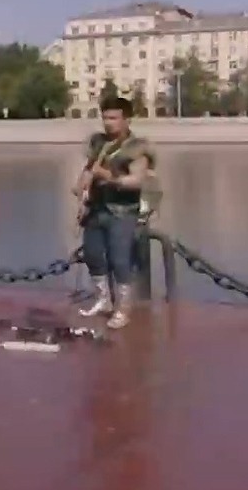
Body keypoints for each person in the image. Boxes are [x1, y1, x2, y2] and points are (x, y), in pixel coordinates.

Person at [72, 95, 152, 330]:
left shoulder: (136, 147)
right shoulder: (98, 143)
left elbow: (137, 180)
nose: (108, 123)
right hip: (96, 208)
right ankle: (103, 299)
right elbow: (88, 170)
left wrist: (109, 177)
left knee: (120, 260)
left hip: (122, 211)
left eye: (114, 118)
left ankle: (123, 309)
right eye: (105, 118)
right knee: (92, 255)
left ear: (127, 119)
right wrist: (80, 191)